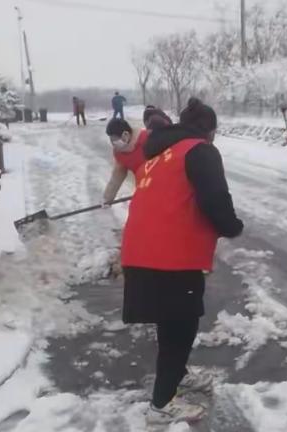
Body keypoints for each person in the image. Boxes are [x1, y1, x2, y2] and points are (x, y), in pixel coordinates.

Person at [121, 98, 243, 424]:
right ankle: (161, 405)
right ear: (208, 130)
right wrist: (232, 227)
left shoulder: (160, 155)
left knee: (170, 321)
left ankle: (178, 374)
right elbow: (216, 199)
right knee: (181, 328)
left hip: (141, 253)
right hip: (170, 257)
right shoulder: (200, 150)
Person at [103, 118, 149, 204]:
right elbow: (117, 177)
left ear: (125, 135)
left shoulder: (147, 138)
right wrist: (107, 198)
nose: (113, 144)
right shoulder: (119, 153)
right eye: (111, 141)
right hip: (143, 188)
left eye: (115, 140)